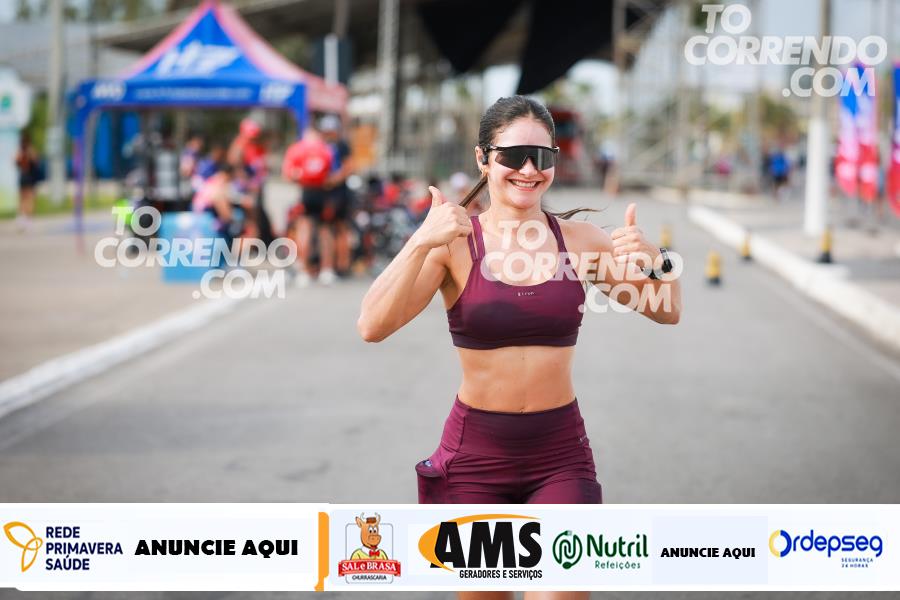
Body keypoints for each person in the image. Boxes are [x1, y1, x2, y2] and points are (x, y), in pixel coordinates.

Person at [357, 96, 681, 600]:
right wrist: (421, 241)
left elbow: (666, 309)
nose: (529, 169)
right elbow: (372, 325)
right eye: (512, 155)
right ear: (483, 159)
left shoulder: (581, 241)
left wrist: (657, 259)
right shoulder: (453, 244)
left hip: (560, 457)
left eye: (542, 156)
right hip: (475, 461)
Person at [15, 133, 40, 232]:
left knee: (23, 199)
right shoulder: (29, 151)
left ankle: (23, 219)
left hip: (24, 177)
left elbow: (15, 161)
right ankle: (26, 220)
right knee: (29, 199)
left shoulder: (21, 151)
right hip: (28, 177)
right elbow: (36, 161)